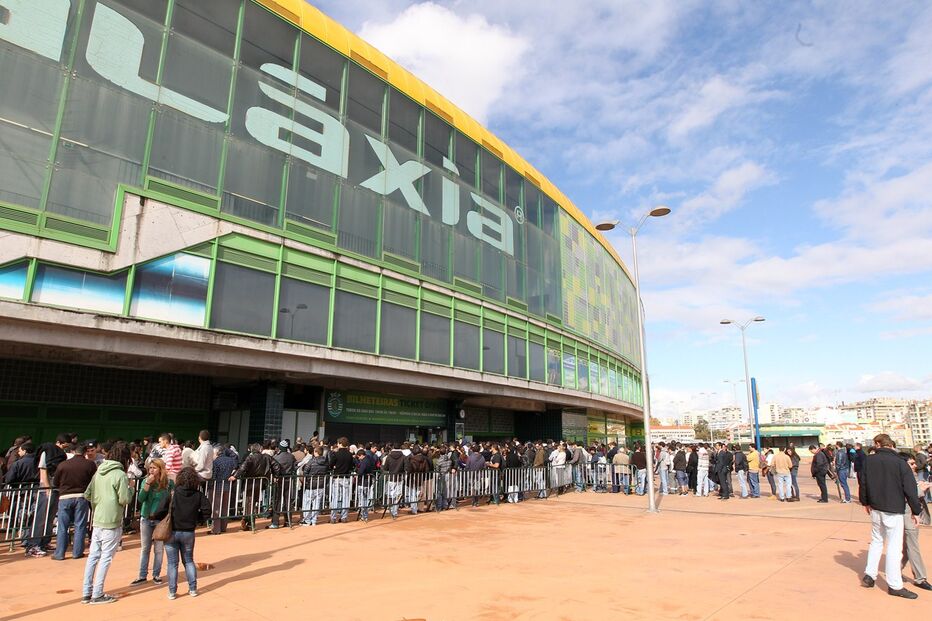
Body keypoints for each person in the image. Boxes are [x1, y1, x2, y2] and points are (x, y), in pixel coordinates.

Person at [859, 434, 922, 599]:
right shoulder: (900, 463)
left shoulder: (869, 461)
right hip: (893, 509)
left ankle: (870, 575)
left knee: (876, 541)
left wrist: (865, 502)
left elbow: (863, 482)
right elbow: (910, 490)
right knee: (894, 547)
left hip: (875, 508)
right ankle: (894, 585)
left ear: (878, 444)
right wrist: (916, 511)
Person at [82, 442, 132, 605]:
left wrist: (99, 502)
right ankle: (97, 593)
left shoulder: (98, 472)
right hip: (112, 520)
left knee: (93, 556)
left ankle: (87, 591)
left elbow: (87, 494)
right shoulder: (120, 475)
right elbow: (125, 499)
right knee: (106, 557)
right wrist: (130, 489)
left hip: (97, 519)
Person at [161, 467, 211, 600]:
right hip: (188, 531)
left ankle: (172, 591)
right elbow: (207, 510)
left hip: (172, 531)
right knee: (188, 560)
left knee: (172, 563)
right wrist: (198, 520)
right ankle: (193, 588)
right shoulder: (198, 495)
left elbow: (161, 510)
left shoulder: (172, 493)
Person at [52, 442, 97, 561]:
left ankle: (60, 553)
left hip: (64, 497)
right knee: (80, 525)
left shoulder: (63, 465)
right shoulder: (90, 464)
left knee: (62, 526)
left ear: (73, 452)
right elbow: (94, 480)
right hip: (81, 496)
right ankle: (77, 552)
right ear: (85, 453)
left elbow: (55, 482)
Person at [132, 458, 173, 585]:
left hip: (160, 520)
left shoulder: (168, 483)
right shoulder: (146, 481)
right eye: (150, 468)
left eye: (154, 468)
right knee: (145, 548)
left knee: (159, 549)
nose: (151, 470)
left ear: (160, 469)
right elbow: (141, 499)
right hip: (146, 518)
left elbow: (171, 498)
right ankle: (142, 575)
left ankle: (156, 574)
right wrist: (147, 485)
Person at [901, 453, 932, 591]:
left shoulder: (907, 476)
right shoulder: (903, 477)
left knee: (908, 547)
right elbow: (908, 495)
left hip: (910, 515)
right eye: (911, 464)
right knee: (912, 547)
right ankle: (920, 578)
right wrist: (921, 489)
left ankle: (895, 569)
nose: (915, 466)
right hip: (909, 515)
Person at [328, 437, 354, 523]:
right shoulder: (349, 454)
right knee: (346, 498)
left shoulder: (335, 454)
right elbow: (351, 466)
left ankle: (333, 517)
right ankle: (344, 517)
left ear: (340, 444)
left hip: (337, 477)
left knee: (335, 497)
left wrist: (334, 467)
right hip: (346, 478)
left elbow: (331, 464)